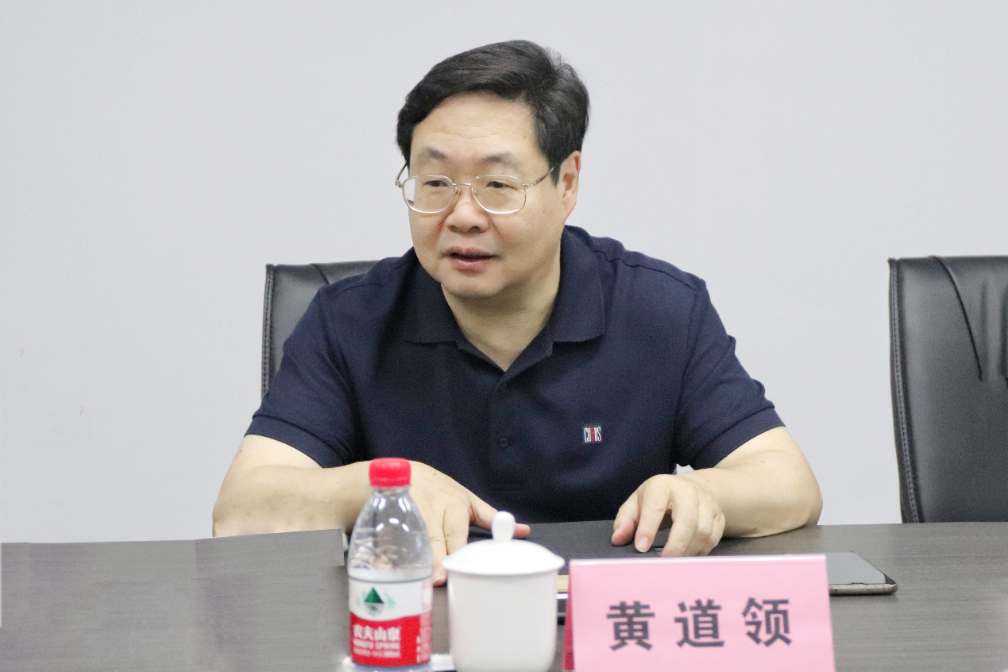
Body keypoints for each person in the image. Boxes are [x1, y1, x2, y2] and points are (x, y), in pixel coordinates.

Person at [212, 40, 822, 584]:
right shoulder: (349, 321)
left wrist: (704, 493)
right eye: (435, 183)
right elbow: (239, 512)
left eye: (497, 186)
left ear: (567, 183)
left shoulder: (661, 310)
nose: (462, 216)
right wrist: (383, 484)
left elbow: (790, 484)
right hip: (417, 627)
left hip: (600, 627)